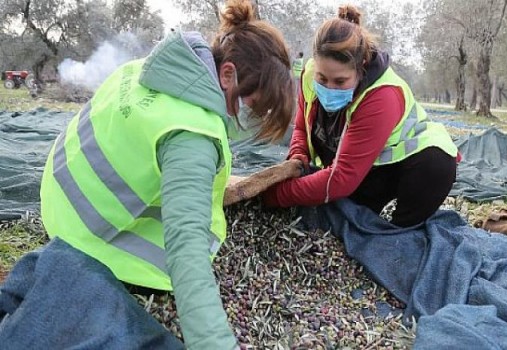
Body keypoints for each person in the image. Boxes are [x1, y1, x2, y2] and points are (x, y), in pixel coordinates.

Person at [2, 0, 295, 349]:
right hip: (85, 240)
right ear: (228, 75)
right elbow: (187, 254)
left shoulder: (150, 69)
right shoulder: (192, 134)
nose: (255, 118)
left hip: (60, 199)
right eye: (256, 106)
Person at [264, 4, 458, 228]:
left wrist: (277, 195)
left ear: (361, 69)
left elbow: (342, 179)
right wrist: (297, 158)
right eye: (322, 78)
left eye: (340, 82)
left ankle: (399, 232)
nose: (330, 88)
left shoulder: (381, 96)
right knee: (345, 211)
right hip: (366, 169)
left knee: (431, 170)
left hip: (414, 166)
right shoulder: (309, 77)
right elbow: (300, 128)